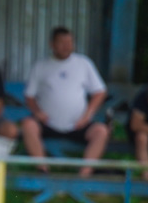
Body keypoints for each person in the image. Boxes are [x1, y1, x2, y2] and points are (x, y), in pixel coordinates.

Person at [21, 26, 109, 177]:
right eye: (62, 42)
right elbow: (29, 96)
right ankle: (43, 170)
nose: (67, 46)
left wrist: (88, 115)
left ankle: (84, 175)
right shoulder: (41, 66)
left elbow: (100, 92)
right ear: (52, 44)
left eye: (70, 42)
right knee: (28, 125)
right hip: (48, 124)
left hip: (78, 124)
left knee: (101, 131)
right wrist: (37, 112)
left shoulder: (84, 63)